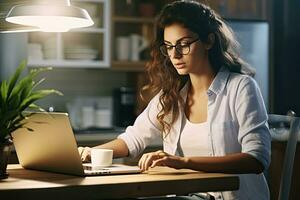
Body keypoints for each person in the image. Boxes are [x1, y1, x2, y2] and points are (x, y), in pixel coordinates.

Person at [78, 1, 271, 199]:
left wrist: (182, 161)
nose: (175, 54)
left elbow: (256, 159)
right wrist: (89, 152)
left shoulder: (241, 88)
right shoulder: (171, 96)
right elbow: (132, 140)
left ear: (209, 41)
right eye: (169, 47)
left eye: (184, 44)